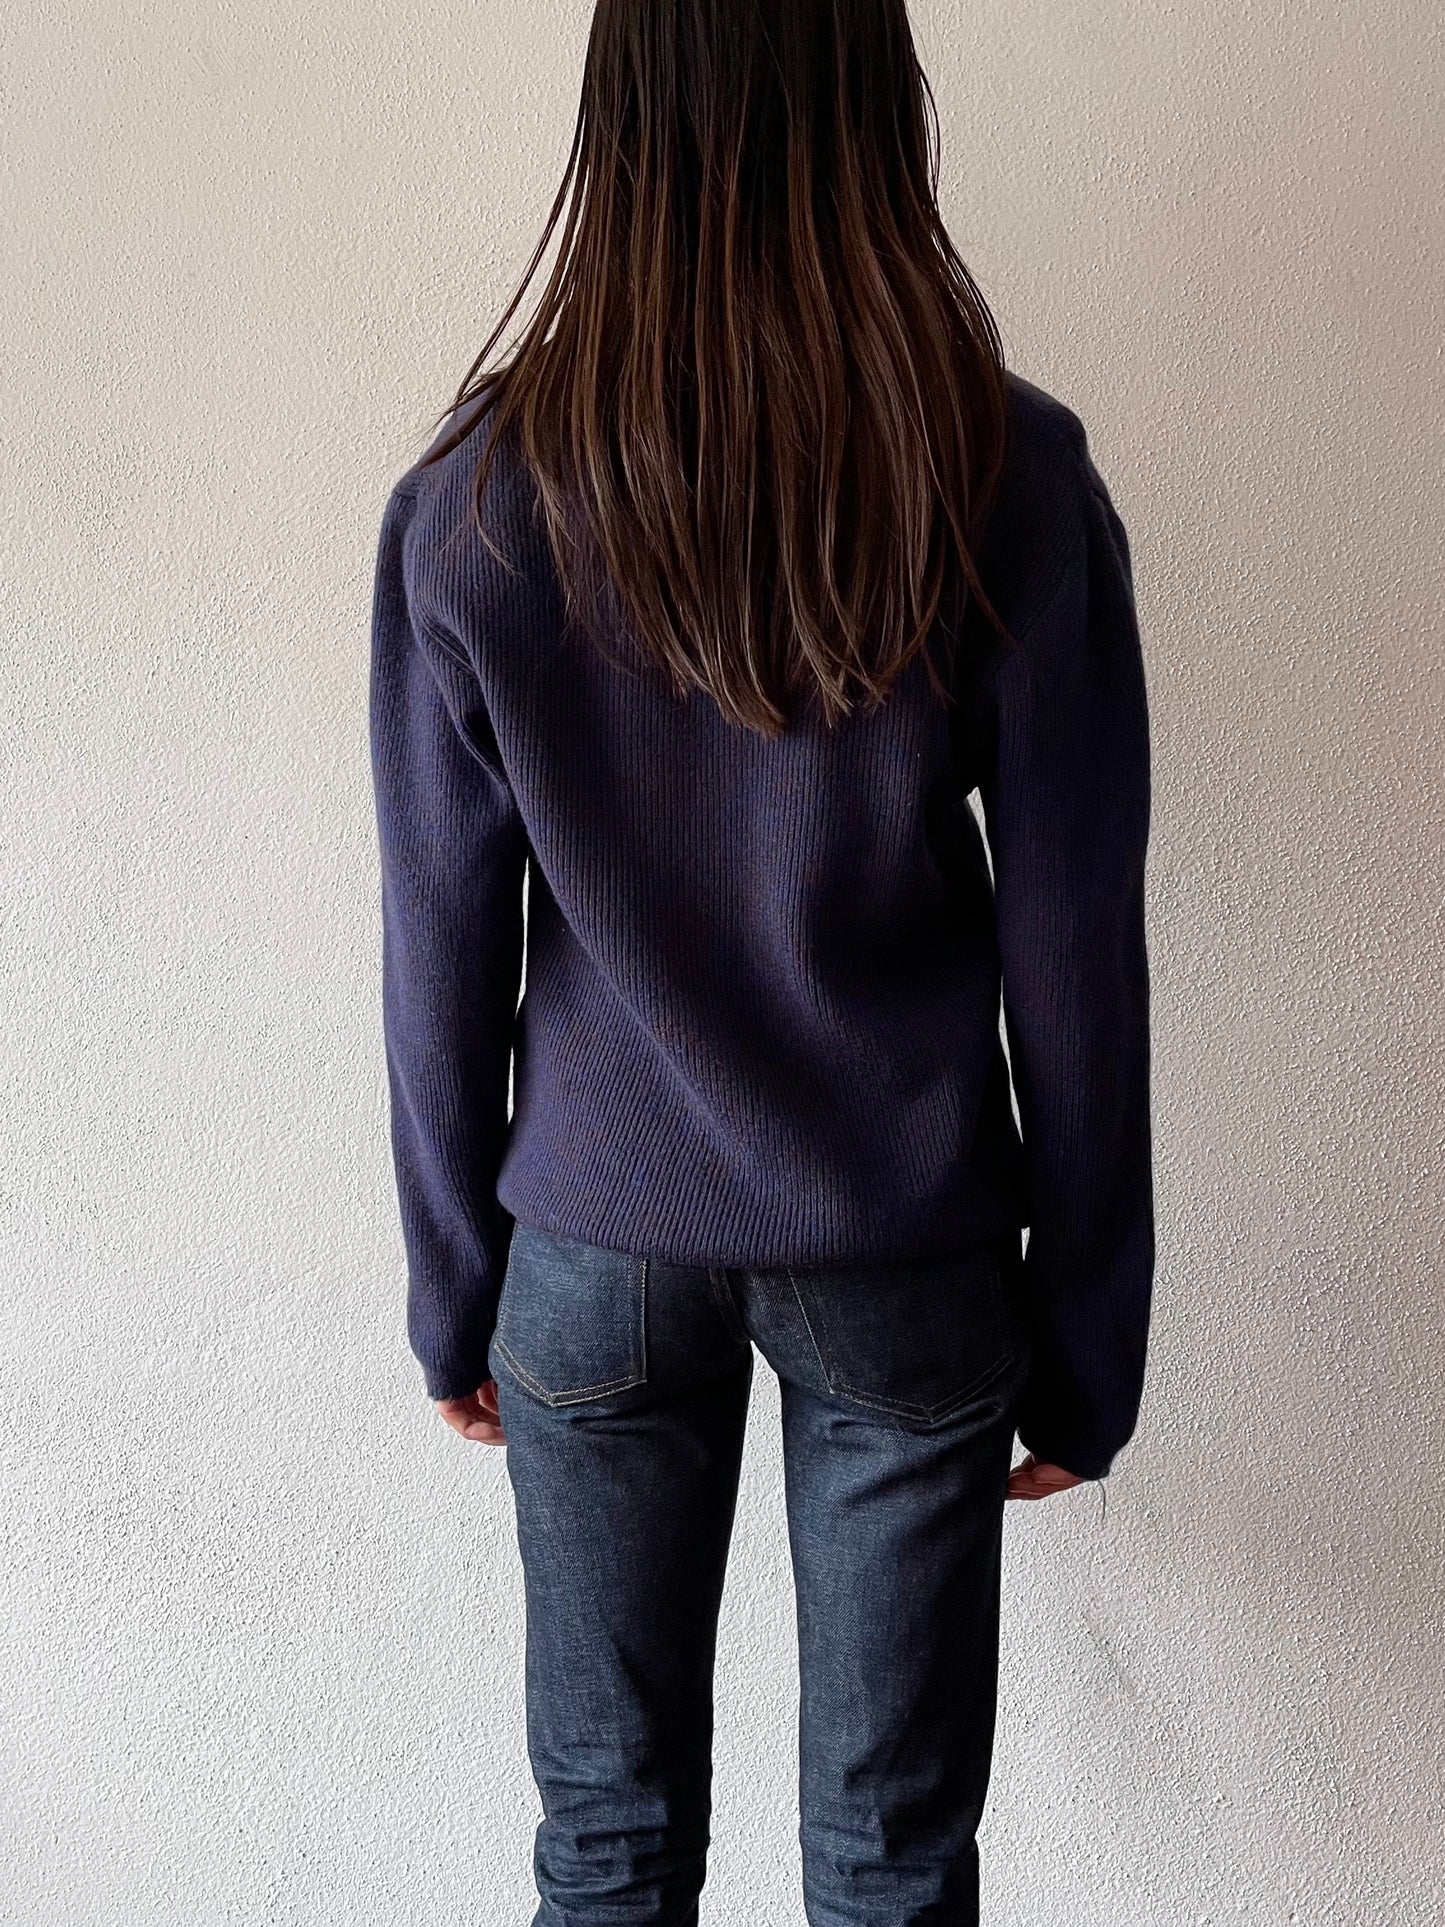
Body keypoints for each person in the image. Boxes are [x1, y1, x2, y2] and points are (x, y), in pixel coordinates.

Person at [367, 3, 1154, 1920]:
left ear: (618, 128)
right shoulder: (1005, 471)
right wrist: (1089, 1336)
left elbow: (438, 945)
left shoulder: (474, 499)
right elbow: (1075, 948)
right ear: (876, 109)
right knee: (891, 1864)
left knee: (607, 1846)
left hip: (591, 1256)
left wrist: (455, 1291)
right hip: (902, 1248)